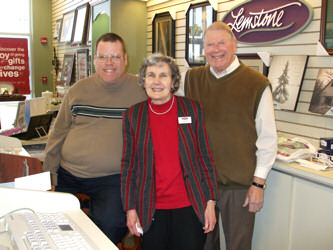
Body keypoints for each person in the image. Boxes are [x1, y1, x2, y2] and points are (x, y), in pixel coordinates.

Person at [179, 22, 278, 250]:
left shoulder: (257, 84)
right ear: (203, 49)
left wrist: (258, 184)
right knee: (202, 244)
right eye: (209, 44)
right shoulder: (190, 79)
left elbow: (267, 138)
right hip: (200, 184)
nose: (216, 49)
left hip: (239, 187)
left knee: (238, 245)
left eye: (222, 43)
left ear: (234, 45)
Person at [43, 32, 147, 245]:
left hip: (111, 178)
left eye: (115, 57)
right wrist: (49, 176)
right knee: (52, 220)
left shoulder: (142, 90)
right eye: (103, 57)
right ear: (94, 61)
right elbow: (58, 133)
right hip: (68, 174)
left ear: (125, 59)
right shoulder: (78, 90)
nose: (109, 63)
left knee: (113, 223)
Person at [121, 53, 219, 250]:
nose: (156, 82)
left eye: (163, 75)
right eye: (151, 75)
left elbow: (205, 158)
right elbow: (128, 166)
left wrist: (210, 202)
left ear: (173, 81)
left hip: (190, 206)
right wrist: (130, 208)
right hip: (151, 208)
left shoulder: (191, 109)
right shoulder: (133, 115)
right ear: (143, 80)